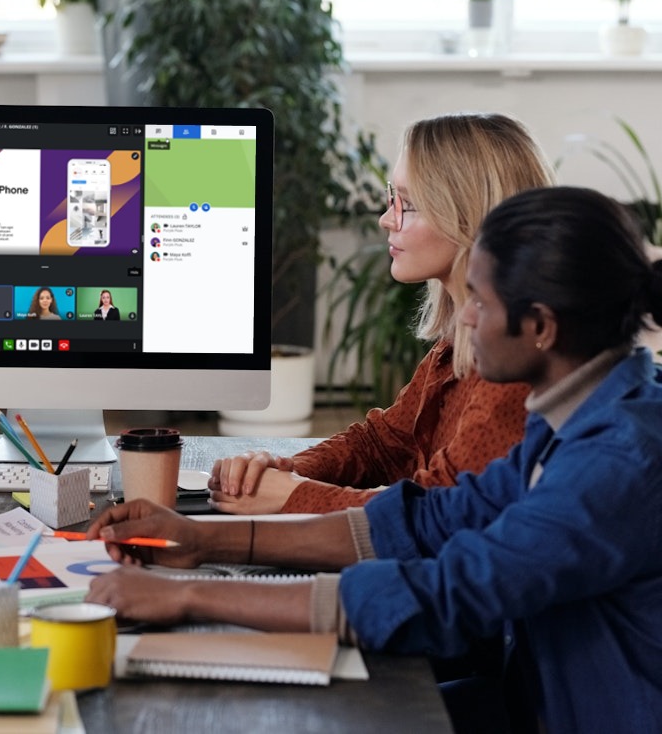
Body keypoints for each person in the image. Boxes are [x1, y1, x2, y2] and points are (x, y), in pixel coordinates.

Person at [86, 186, 662, 733]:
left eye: (481, 301)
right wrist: (205, 540)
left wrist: (188, 596)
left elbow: (447, 594)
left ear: (540, 327)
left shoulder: (616, 460)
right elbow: (427, 520)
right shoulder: (571, 415)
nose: (464, 317)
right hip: (531, 697)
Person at [210, 113, 554, 514]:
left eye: (408, 204)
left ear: (469, 216)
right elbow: (384, 444)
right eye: (394, 198)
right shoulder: (455, 345)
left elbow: (437, 511)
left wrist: (291, 496)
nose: (386, 219)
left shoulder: (514, 366)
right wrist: (286, 470)